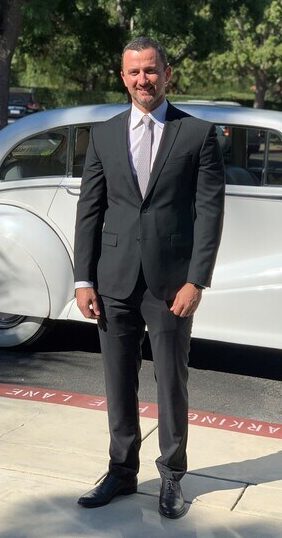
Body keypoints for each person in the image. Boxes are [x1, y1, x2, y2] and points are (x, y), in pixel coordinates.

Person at [74, 36, 225, 518]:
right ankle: (121, 472)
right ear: (123, 78)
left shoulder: (197, 134)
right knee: (118, 381)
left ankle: (172, 476)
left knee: (170, 382)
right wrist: (82, 279)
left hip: (171, 284)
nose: (144, 79)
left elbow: (209, 213)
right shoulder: (103, 135)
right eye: (135, 72)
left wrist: (196, 280)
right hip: (113, 280)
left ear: (167, 73)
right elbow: (90, 210)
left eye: (151, 70)